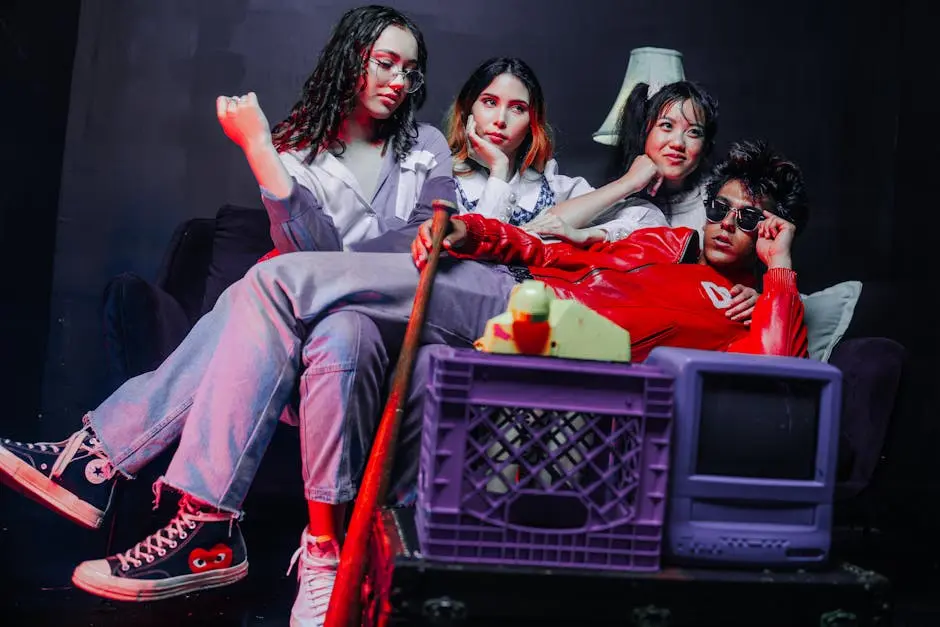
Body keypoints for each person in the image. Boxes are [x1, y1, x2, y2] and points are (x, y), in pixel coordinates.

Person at [0, 140, 806, 625]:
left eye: (750, 218)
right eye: (724, 208)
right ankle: (282, 541)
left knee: (276, 280)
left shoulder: (753, 305)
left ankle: (106, 456)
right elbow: (548, 254)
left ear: (773, 229)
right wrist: (467, 229)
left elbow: (777, 374)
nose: (727, 224)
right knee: (331, 325)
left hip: (548, 349)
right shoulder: (661, 247)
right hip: (510, 297)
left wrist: (779, 271)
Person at [217, 5, 454, 256]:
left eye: (408, 72)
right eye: (385, 63)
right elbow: (308, 252)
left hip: (410, 291)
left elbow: (435, 231)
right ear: (349, 61)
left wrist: (348, 254)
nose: (399, 83)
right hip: (325, 293)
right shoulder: (296, 154)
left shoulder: (427, 145)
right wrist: (259, 148)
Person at [524, 80, 756, 324]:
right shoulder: (623, 198)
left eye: (693, 132)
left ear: (706, 146)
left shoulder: (720, 208)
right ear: (646, 131)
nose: (678, 143)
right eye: (666, 126)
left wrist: (757, 297)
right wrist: (629, 183)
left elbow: (742, 277)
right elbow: (541, 229)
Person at [444, 57, 656, 241]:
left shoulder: (550, 186)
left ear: (532, 123)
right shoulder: (442, 181)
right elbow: (477, 249)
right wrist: (499, 169)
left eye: (518, 108)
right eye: (490, 102)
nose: (500, 120)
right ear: (467, 110)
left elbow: (650, 219)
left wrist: (586, 235)